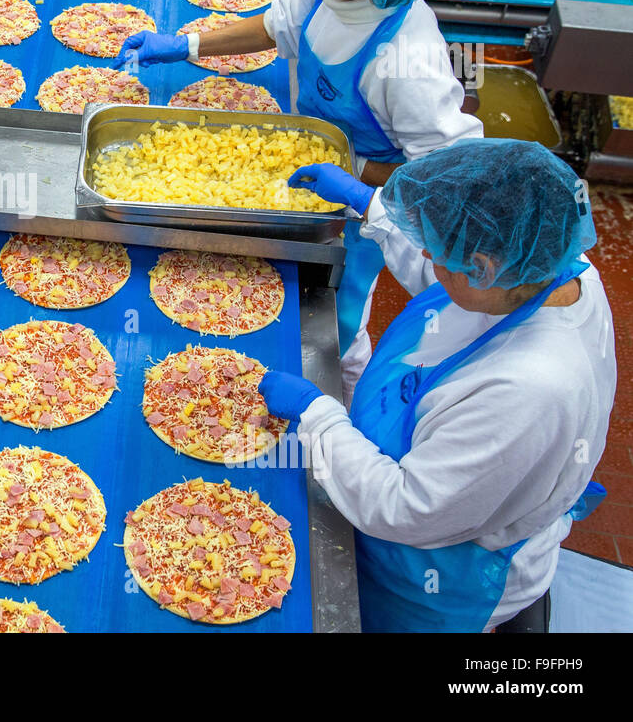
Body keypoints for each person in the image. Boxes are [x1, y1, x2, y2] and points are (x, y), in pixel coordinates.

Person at [112, 0, 482, 396]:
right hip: (304, 170)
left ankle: (347, 398)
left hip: (360, 209)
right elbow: (276, 25)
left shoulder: (408, 59)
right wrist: (187, 45)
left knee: (335, 318)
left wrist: (355, 174)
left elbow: (443, 180)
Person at [261, 142, 615, 631]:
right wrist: (372, 205)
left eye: (438, 249)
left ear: (484, 267)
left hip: (436, 572)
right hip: (418, 488)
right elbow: (455, 278)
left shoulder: (528, 391)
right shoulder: (546, 263)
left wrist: (315, 414)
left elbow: (404, 508)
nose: (427, 253)